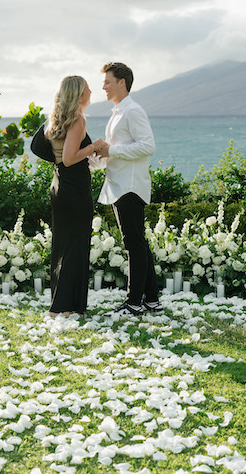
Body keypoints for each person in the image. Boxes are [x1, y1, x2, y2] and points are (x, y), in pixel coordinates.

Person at [94, 62, 162, 316]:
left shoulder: (133, 111)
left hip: (130, 187)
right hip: (119, 184)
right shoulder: (118, 112)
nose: (103, 86)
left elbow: (148, 146)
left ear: (122, 82)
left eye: (107, 81)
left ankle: (133, 303)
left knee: (133, 245)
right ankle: (152, 300)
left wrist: (110, 150)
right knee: (138, 244)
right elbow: (116, 150)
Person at [44, 75, 105, 318]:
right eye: (88, 90)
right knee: (76, 247)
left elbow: (54, 153)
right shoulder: (77, 120)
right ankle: (65, 308)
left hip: (59, 185)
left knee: (62, 246)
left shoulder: (55, 120)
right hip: (75, 188)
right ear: (79, 95)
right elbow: (70, 159)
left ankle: (60, 305)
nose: (92, 93)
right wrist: (95, 146)